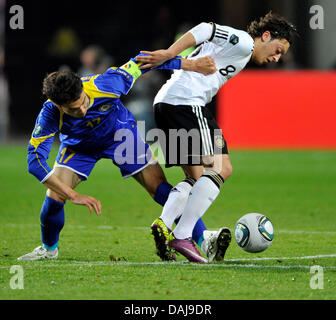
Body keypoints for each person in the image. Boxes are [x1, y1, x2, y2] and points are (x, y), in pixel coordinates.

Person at [17, 52, 222, 261]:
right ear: (58, 105)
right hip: (80, 148)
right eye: (73, 109)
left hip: (120, 136)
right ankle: (49, 249)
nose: (82, 110)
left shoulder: (107, 83)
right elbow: (34, 161)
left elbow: (144, 61)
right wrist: (71, 194)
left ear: (81, 87)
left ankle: (203, 239)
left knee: (158, 186)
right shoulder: (49, 113)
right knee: (54, 197)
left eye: (83, 102)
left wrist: (191, 64)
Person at [136, 12, 298, 263]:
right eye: (278, 50)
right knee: (222, 167)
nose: (276, 58)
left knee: (195, 177)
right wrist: (169, 53)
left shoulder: (241, 52)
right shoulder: (244, 42)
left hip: (166, 103)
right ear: (266, 36)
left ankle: (164, 223)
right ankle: (183, 234)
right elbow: (205, 28)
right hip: (187, 103)